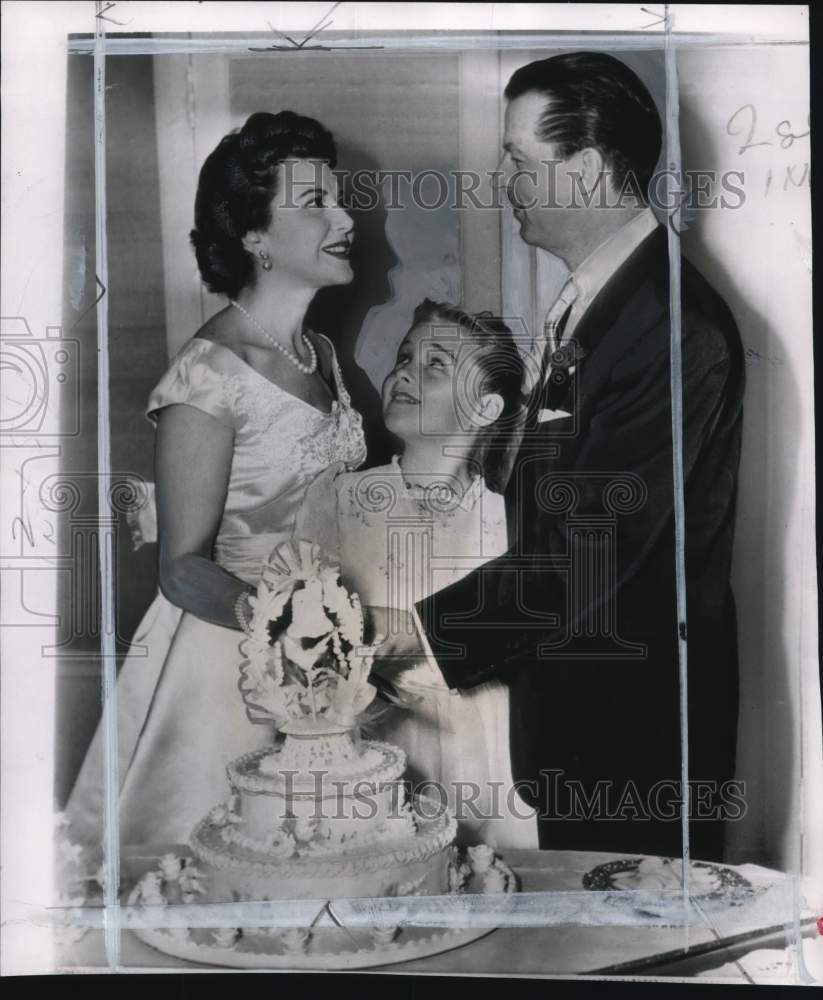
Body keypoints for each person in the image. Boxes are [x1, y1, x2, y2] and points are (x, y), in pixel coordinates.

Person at [376, 52, 744, 861]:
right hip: (581, 717)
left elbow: (586, 553)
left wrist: (409, 634)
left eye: (515, 157)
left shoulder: (672, 328)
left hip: (637, 738)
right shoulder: (605, 299)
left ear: (580, 170)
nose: (500, 180)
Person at [65, 111, 367, 848]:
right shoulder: (207, 375)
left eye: (339, 196)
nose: (345, 217)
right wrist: (289, 639)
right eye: (314, 205)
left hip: (332, 649)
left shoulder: (321, 353)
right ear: (255, 239)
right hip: (229, 660)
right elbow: (180, 568)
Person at [295, 300, 538, 848]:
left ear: (484, 408)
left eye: (435, 366)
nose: (403, 371)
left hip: (489, 756)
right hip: (374, 758)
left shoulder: (511, 520)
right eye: (405, 356)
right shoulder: (337, 499)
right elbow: (304, 637)